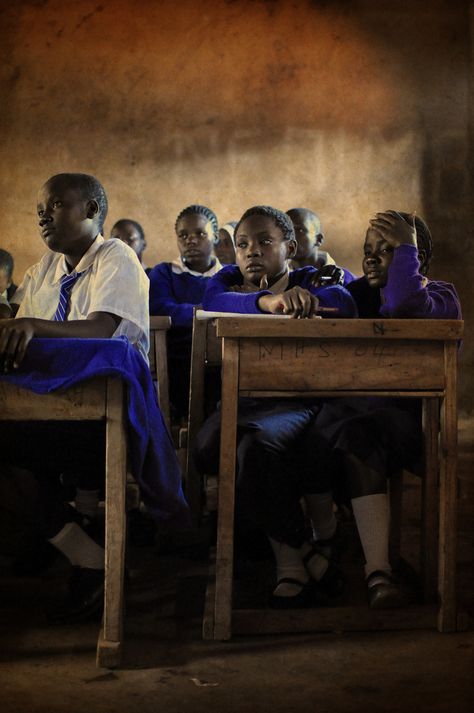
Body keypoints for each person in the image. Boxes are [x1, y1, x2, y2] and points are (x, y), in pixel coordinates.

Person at [0, 172, 150, 622]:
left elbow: (102, 329)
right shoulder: (41, 269)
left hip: (104, 415)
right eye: (39, 211)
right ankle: (86, 551)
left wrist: (32, 326)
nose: (44, 216)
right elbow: (20, 343)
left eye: (57, 205)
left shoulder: (116, 257)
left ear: (90, 210)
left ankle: (88, 554)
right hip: (48, 409)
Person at [196, 205, 357, 608]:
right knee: (205, 448)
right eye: (243, 244)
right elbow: (213, 300)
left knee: (255, 451)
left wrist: (308, 298)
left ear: (290, 246)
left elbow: (343, 302)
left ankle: (291, 567)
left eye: (265, 242)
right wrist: (268, 302)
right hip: (242, 403)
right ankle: (309, 550)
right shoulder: (226, 282)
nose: (252, 251)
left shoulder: (310, 278)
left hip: (294, 403)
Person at [302, 210, 461, 609]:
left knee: (359, 434)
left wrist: (406, 248)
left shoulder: (440, 296)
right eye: (366, 251)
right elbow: (328, 305)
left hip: (414, 425)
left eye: (387, 249)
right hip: (355, 420)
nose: (371, 258)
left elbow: (406, 303)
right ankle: (325, 540)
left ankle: (378, 571)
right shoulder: (361, 295)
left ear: (416, 258)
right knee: (313, 431)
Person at [149, 204, 223, 418]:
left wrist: (188, 314)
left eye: (200, 233)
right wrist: (209, 312)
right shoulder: (164, 272)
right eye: (183, 235)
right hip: (175, 360)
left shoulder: (227, 274)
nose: (191, 240)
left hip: (220, 360)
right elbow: (160, 309)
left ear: (215, 237)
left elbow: (233, 308)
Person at [287, 207, 356, 285]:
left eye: (299, 230)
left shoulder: (346, 280)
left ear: (318, 239)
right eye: (286, 230)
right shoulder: (275, 280)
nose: (290, 236)